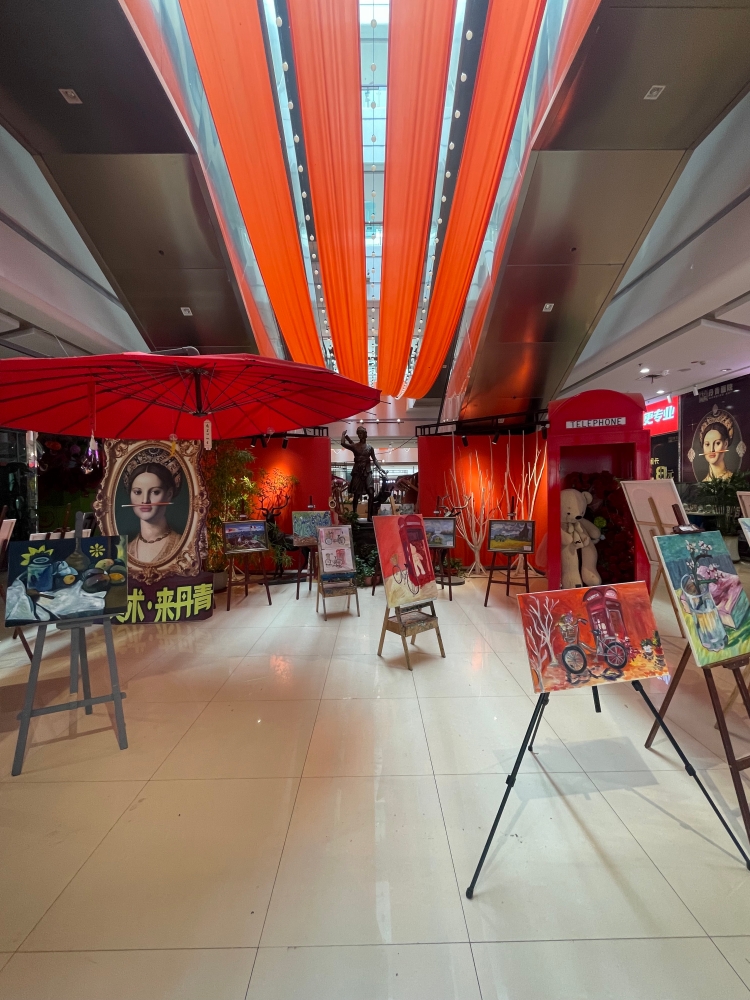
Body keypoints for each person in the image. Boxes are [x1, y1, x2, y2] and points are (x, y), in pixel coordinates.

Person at [124, 460, 182, 564]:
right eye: (138, 492)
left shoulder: (182, 546)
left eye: (155, 492)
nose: (145, 500)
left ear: (169, 494)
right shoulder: (125, 551)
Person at [340, 426, 385, 521]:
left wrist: (380, 468)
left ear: (365, 434)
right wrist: (343, 435)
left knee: (371, 492)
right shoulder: (355, 446)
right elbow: (343, 443)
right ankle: (354, 515)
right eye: (358, 433)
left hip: (367, 471)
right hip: (357, 471)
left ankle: (369, 516)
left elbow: (375, 459)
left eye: (361, 433)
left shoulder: (370, 448)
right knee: (356, 494)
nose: (360, 435)